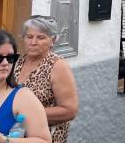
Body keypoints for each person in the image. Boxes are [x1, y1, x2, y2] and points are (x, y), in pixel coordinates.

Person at [0, 29, 51, 143]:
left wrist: (4, 141)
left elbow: (45, 141)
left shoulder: (23, 97)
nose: (5, 63)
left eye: (11, 58)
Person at [14, 15, 78, 143]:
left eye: (41, 38)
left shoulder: (58, 66)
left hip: (46, 137)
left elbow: (69, 110)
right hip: (16, 135)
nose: (33, 42)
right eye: (29, 37)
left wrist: (28, 114)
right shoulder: (17, 62)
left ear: (53, 40)